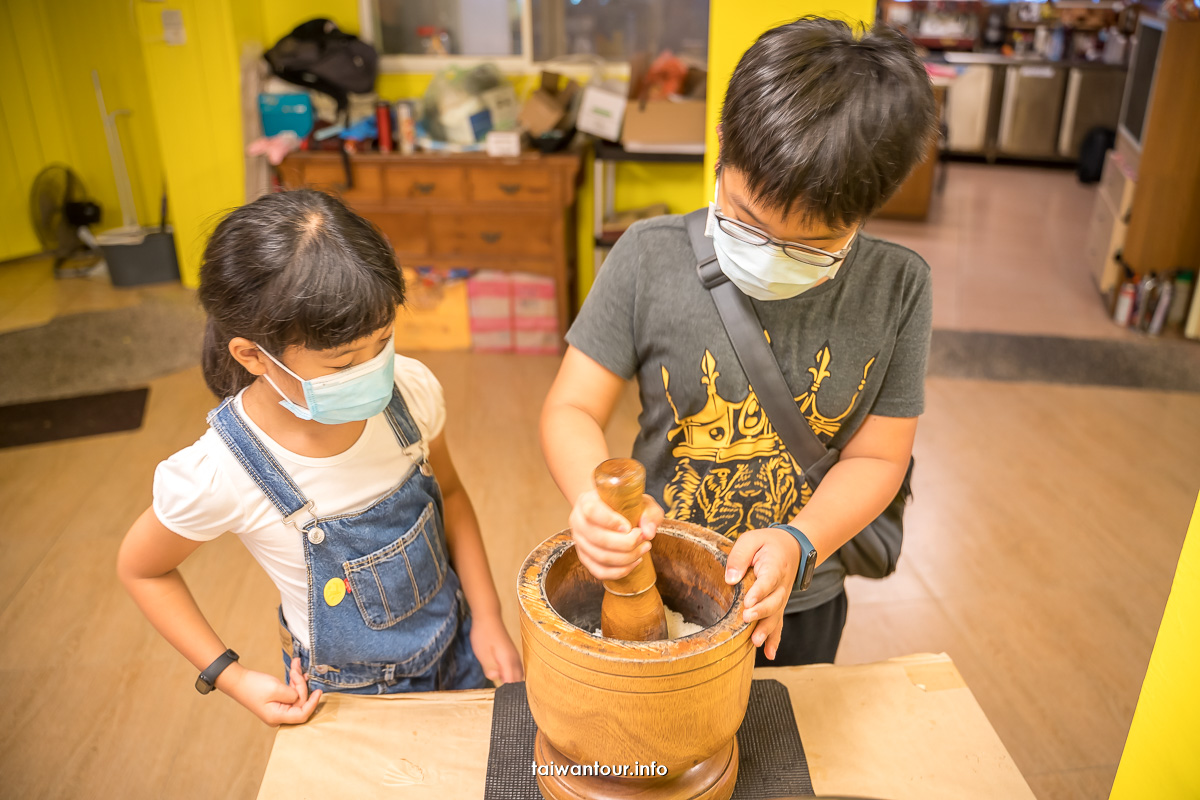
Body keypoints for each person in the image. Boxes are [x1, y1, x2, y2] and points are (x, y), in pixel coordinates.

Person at [541, 18, 936, 666]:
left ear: (868, 208)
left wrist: (800, 542)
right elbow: (573, 408)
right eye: (749, 221)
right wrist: (593, 503)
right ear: (724, 145)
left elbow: (879, 460)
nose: (775, 257)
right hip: (661, 582)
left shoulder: (898, 288)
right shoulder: (647, 257)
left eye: (812, 243)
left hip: (794, 596)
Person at [118, 190, 522, 726]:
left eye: (382, 343)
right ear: (252, 356)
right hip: (349, 697)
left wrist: (487, 615)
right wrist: (230, 676)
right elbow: (143, 570)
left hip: (460, 642)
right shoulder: (224, 471)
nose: (374, 370)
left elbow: (449, 493)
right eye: (342, 364)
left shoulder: (411, 393)